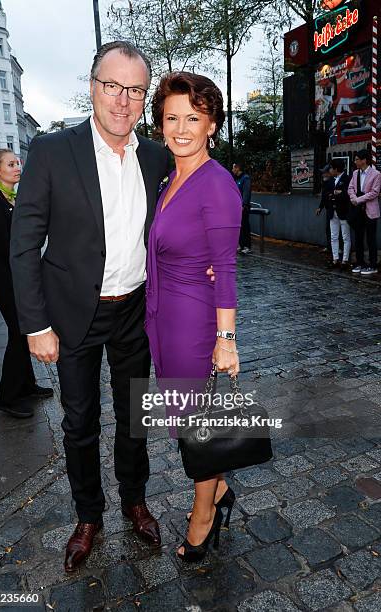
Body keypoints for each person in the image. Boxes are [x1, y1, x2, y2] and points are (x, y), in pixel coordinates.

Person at [10, 42, 169, 572]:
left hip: (135, 311)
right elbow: (24, 243)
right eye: (112, 86)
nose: (122, 100)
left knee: (134, 417)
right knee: (80, 421)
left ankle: (134, 500)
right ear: (92, 85)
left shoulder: (156, 156)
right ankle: (88, 515)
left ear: (144, 97)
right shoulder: (54, 151)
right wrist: (36, 325)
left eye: (134, 90)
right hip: (74, 312)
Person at [148, 72, 242, 561]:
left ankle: (204, 514)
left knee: (195, 426)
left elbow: (225, 268)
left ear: (211, 125)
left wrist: (226, 339)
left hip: (194, 323)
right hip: (164, 319)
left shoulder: (217, 183)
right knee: (189, 418)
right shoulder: (170, 177)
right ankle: (219, 490)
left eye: (193, 118)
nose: (180, 128)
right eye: (171, 117)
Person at [0, 150, 52, 417]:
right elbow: (6, 244)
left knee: (21, 332)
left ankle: (27, 385)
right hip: (2, 278)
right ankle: (7, 398)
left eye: (17, 162)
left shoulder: (12, 197)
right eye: (10, 164)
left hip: (15, 275)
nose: (17, 166)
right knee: (19, 334)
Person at [348, 149, 381, 276]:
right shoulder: (355, 173)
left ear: (364, 160)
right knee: (358, 237)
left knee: (371, 238)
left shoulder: (376, 174)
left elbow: (374, 192)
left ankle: (372, 264)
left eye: (357, 159)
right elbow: (350, 188)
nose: (355, 161)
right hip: (358, 211)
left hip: (370, 210)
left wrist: (358, 199)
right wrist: (353, 198)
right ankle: (360, 262)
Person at [327, 159, 351, 269]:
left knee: (345, 236)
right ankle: (335, 259)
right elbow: (328, 193)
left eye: (331, 168)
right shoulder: (331, 180)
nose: (330, 170)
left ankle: (345, 260)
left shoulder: (347, 178)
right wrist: (335, 193)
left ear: (336, 169)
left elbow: (348, 194)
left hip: (343, 211)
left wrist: (338, 193)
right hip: (333, 211)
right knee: (334, 236)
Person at [232, 161, 252, 253]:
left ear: (237, 168)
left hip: (243, 207)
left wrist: (244, 205)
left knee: (245, 226)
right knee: (238, 227)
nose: (232, 170)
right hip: (236, 207)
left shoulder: (245, 178)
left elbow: (246, 193)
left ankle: (247, 246)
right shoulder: (236, 179)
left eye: (233, 168)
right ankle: (241, 245)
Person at [315, 164, 334, 253]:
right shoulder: (325, 182)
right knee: (328, 228)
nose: (323, 175)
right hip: (328, 208)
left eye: (324, 173)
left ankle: (336, 248)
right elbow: (324, 196)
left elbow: (329, 196)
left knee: (334, 229)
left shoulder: (333, 182)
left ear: (329, 173)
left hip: (333, 208)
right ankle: (329, 247)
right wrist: (320, 207)